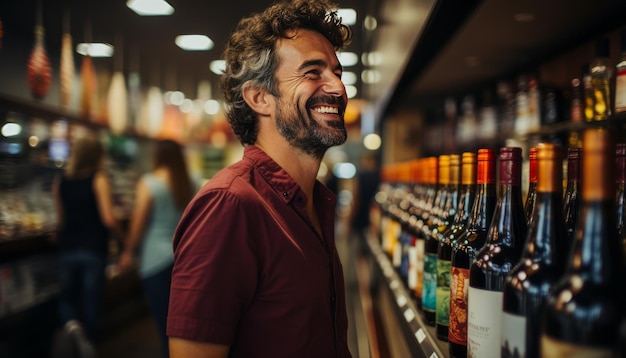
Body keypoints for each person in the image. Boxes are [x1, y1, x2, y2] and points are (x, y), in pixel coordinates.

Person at [166, 0, 353, 357]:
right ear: (259, 97)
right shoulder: (229, 206)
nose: (338, 88)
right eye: (313, 72)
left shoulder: (315, 202)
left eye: (337, 72)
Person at [116, 139, 194, 358]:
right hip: (185, 257)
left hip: (155, 260)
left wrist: (128, 251)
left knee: (164, 324)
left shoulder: (149, 183)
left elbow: (138, 223)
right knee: (183, 325)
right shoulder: (191, 180)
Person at [52, 134, 122, 344]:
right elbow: (108, 219)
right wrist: (123, 239)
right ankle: (88, 346)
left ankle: (73, 330)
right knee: (91, 300)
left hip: (68, 248)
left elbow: (60, 220)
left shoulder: (60, 180)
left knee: (66, 297)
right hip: (93, 249)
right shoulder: (99, 179)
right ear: (96, 156)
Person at [350, 152, 380, 255]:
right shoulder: (379, 176)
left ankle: (363, 271)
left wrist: (349, 219)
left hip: (361, 216)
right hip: (375, 217)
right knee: (374, 249)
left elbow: (355, 198)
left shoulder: (360, 176)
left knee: (360, 252)